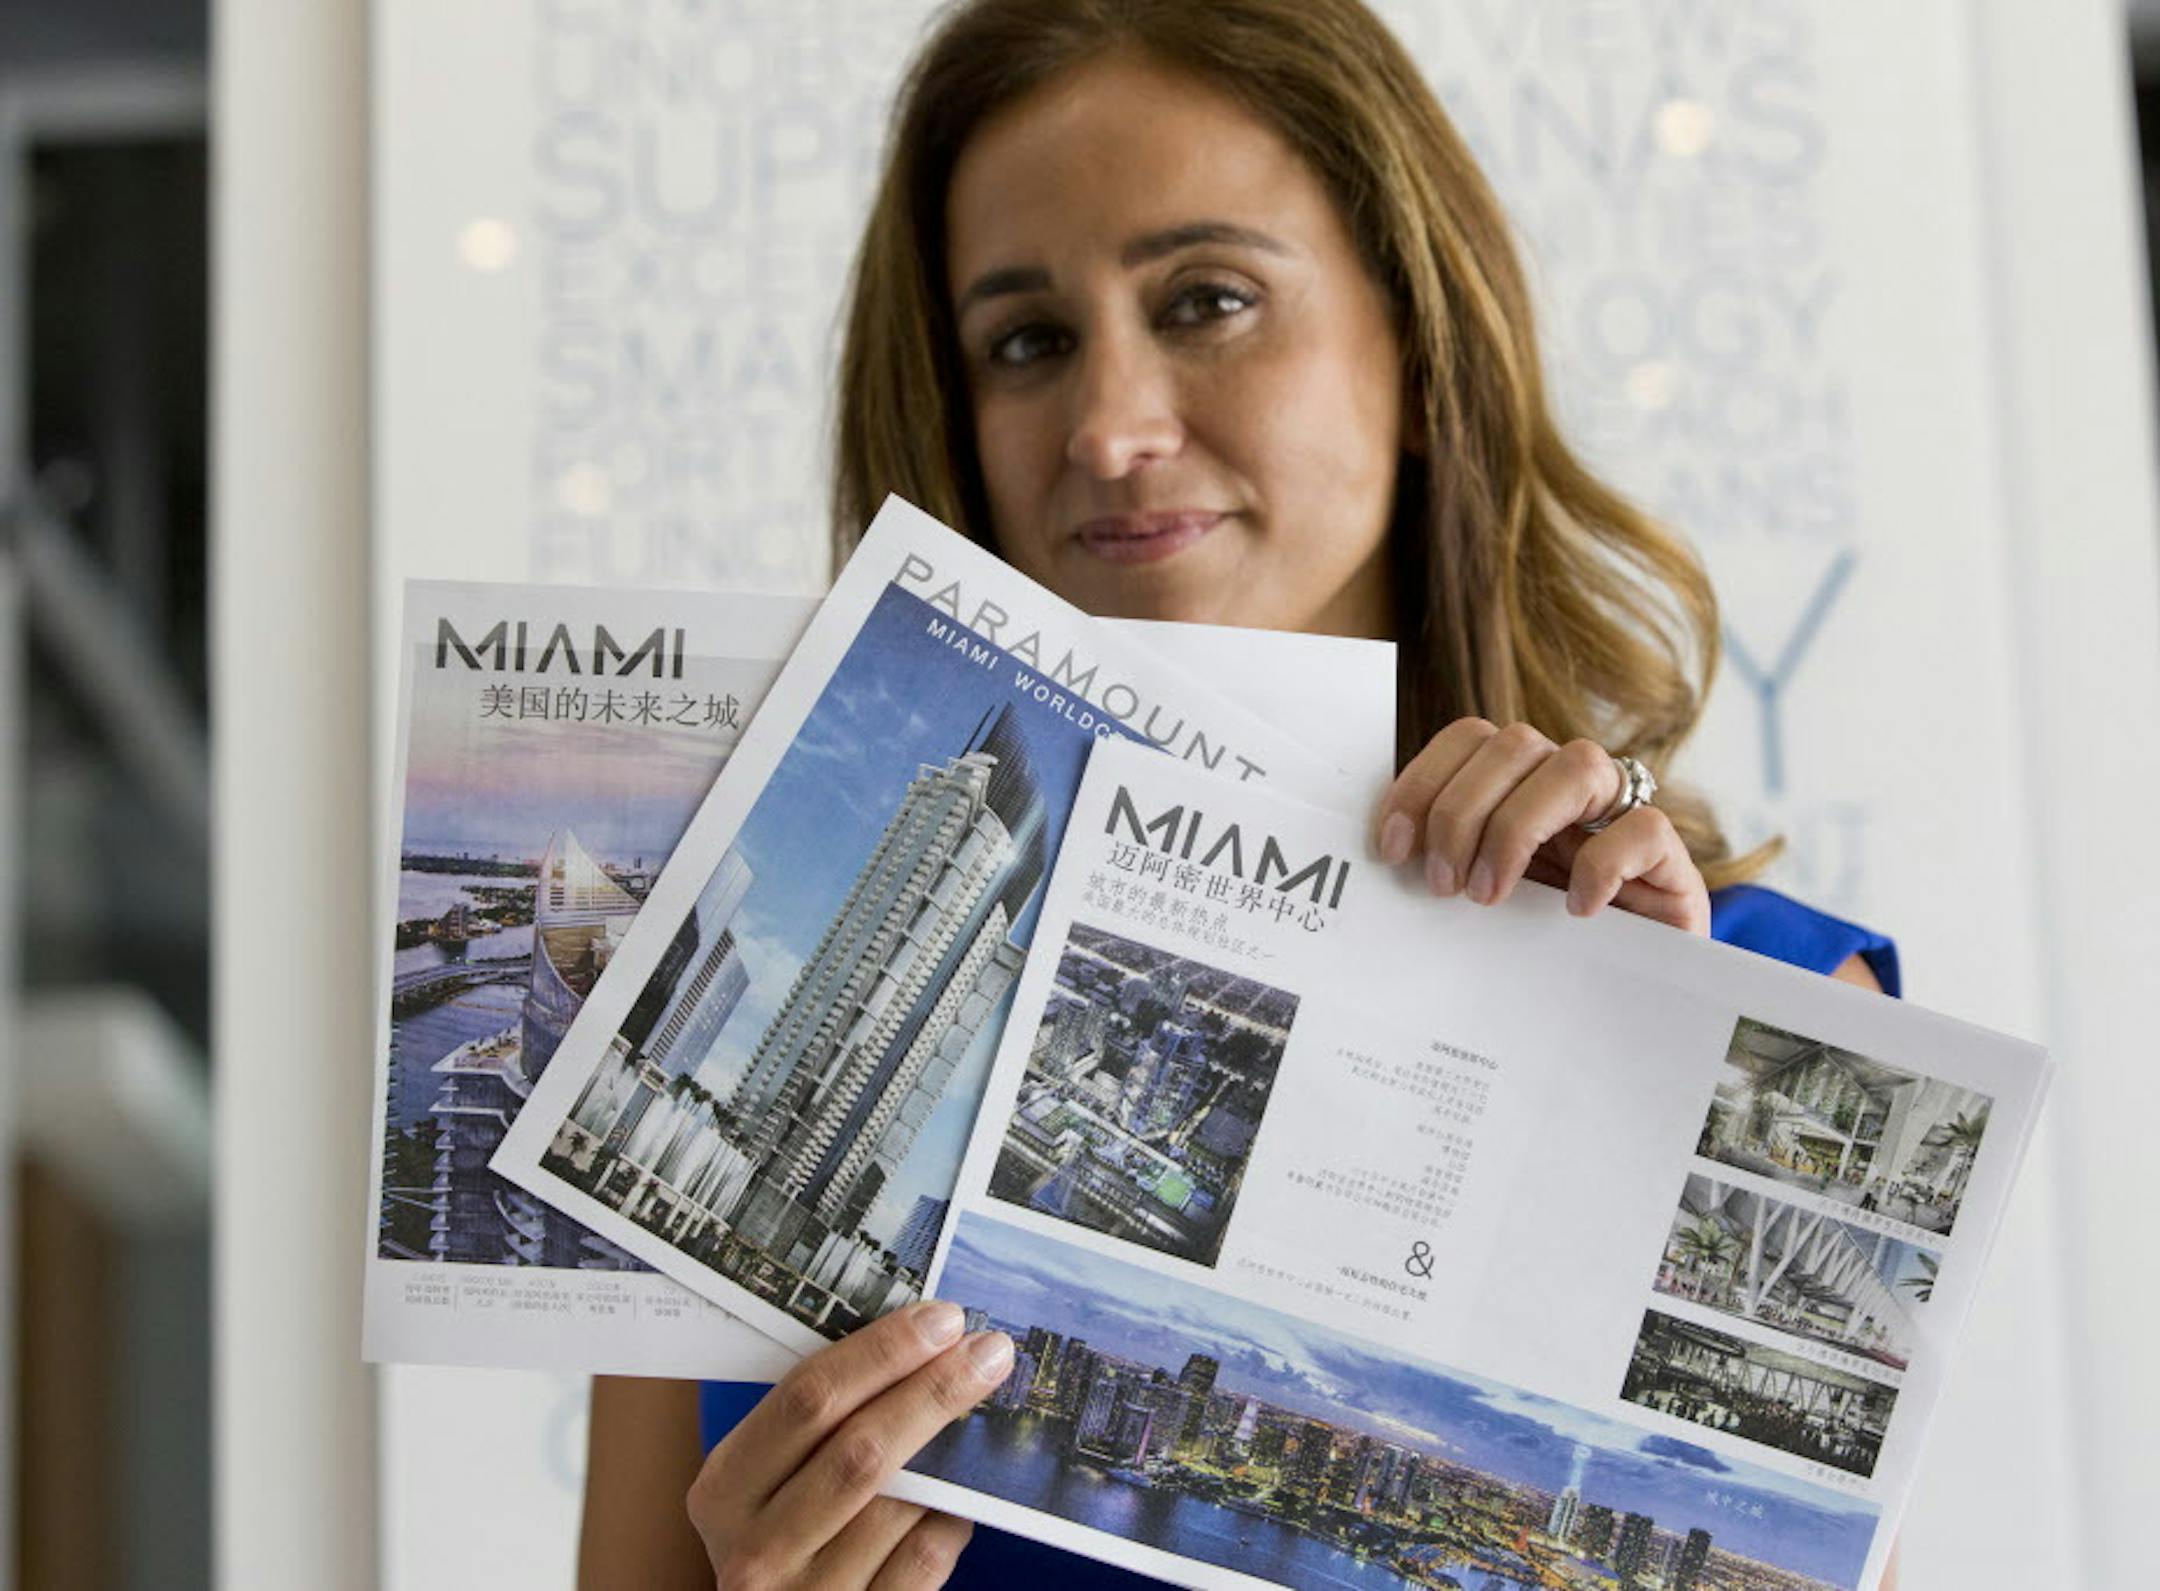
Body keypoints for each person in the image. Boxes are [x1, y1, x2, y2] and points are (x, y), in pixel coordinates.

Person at [577, 2, 1902, 1587]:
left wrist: (1616, 1104)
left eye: (1207, 301)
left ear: (1418, 350)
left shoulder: (1763, 994)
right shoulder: (673, 1017)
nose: (1112, 428)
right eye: (1025, 340)